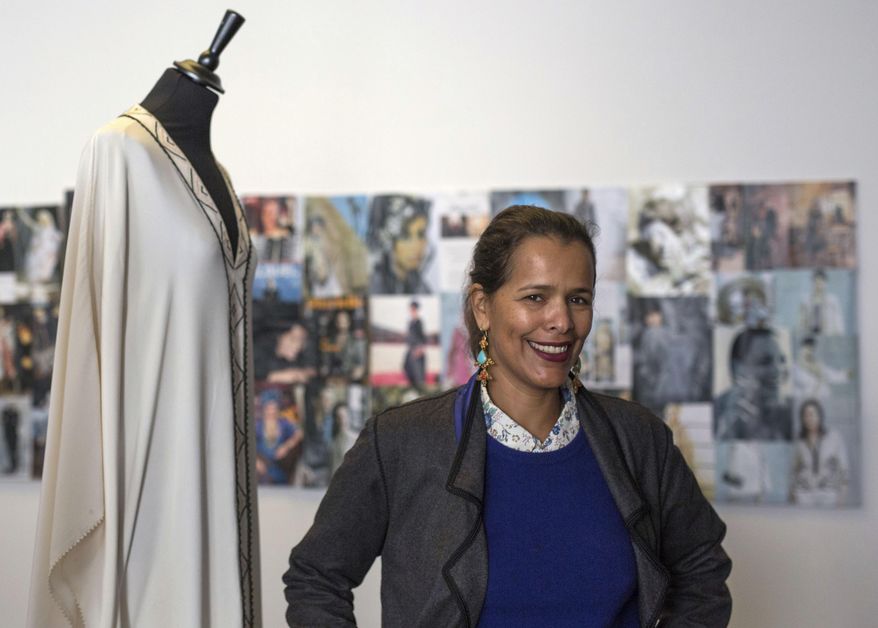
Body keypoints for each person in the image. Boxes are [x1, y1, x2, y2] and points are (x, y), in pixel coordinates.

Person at [284, 205, 731, 627]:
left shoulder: (639, 439)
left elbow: (702, 569)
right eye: (535, 297)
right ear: (483, 307)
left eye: (578, 299)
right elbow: (316, 578)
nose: (561, 321)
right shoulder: (401, 442)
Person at [714, 327, 792, 441]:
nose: (778, 370)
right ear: (738, 368)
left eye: (782, 360)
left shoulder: (791, 412)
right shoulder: (719, 415)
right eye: (765, 361)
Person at [368, 195, 433, 294]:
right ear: (389, 241)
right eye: (405, 236)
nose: (416, 246)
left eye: (421, 234)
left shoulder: (424, 290)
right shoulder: (372, 288)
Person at [791, 399, 849, 507]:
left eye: (812, 414)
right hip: (804, 495)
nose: (809, 418)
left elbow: (843, 468)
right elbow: (795, 469)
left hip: (828, 493)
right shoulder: (800, 441)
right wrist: (793, 492)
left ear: (820, 415)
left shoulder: (834, 437)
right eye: (806, 415)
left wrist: (842, 496)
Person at [402, 300, 427, 392]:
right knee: (406, 367)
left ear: (416, 310)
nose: (411, 311)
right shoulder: (410, 322)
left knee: (418, 375)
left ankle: (418, 390)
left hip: (417, 350)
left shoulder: (419, 322)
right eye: (410, 309)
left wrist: (420, 349)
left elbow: (423, 337)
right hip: (410, 349)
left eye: (413, 309)